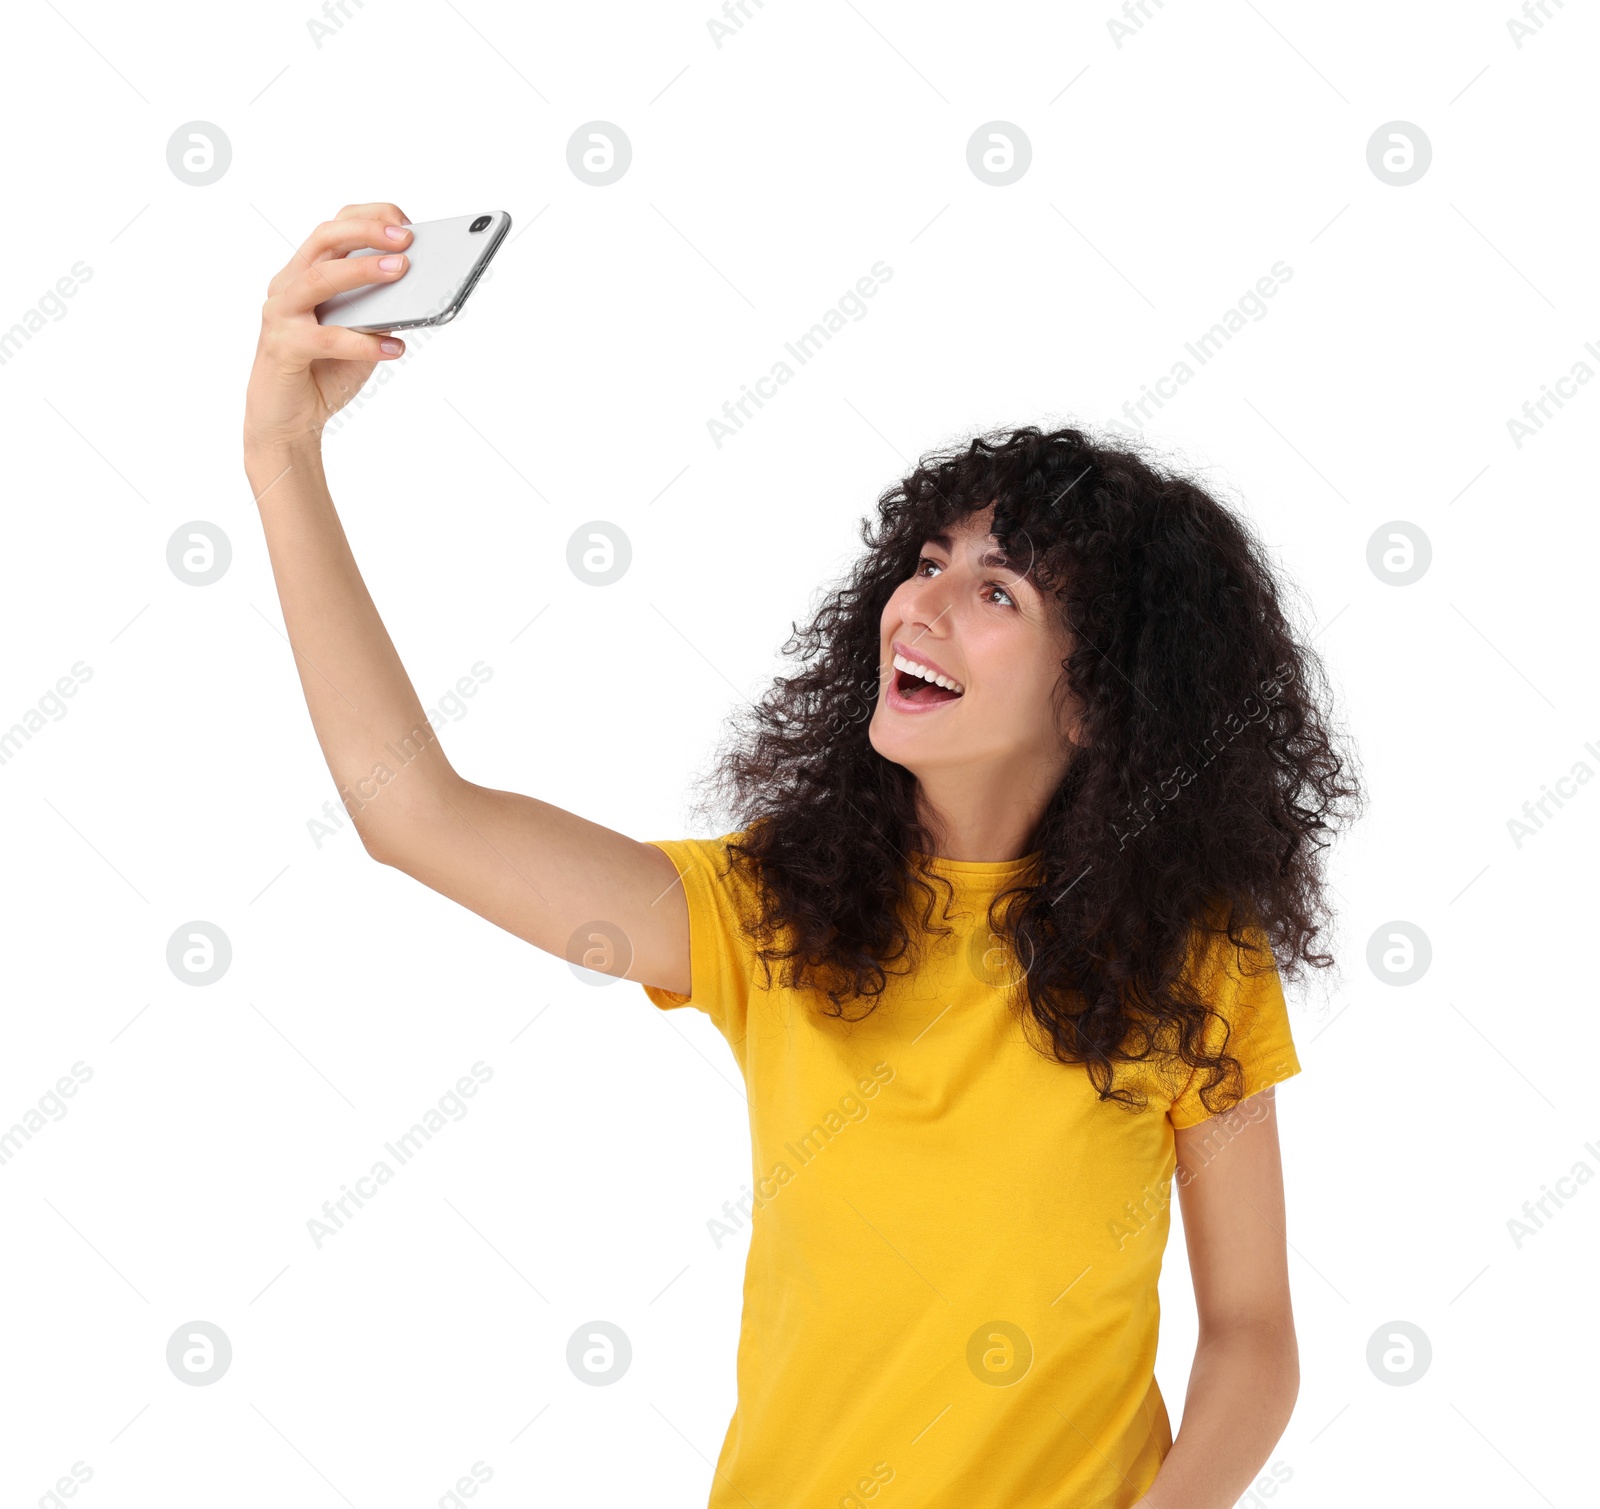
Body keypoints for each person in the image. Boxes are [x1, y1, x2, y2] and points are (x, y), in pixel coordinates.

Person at [244, 202, 1363, 1509]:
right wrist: (284, 457)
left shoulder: (1192, 959)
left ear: (1098, 697)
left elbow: (1252, 1337)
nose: (919, 601)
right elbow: (412, 812)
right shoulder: (772, 911)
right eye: (929, 560)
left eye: (997, 592)